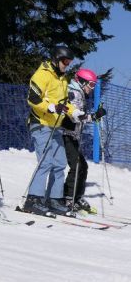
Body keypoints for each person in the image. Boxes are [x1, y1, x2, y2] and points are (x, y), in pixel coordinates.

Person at [23, 45, 79, 216]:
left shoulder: (62, 79)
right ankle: (33, 199)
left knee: (60, 163)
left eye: (69, 62)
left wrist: (76, 112)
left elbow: (64, 103)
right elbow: (32, 98)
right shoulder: (42, 74)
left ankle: (53, 199)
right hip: (40, 123)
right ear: (55, 59)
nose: (66, 65)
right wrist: (52, 107)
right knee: (45, 161)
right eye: (64, 61)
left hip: (55, 126)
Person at [63, 68, 106, 213]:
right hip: (66, 134)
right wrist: (93, 117)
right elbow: (75, 115)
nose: (92, 89)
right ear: (82, 82)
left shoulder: (80, 93)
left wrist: (94, 116)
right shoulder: (73, 93)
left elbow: (81, 116)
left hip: (73, 135)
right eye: (91, 85)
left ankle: (77, 196)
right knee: (76, 166)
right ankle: (68, 198)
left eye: (94, 85)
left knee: (83, 166)